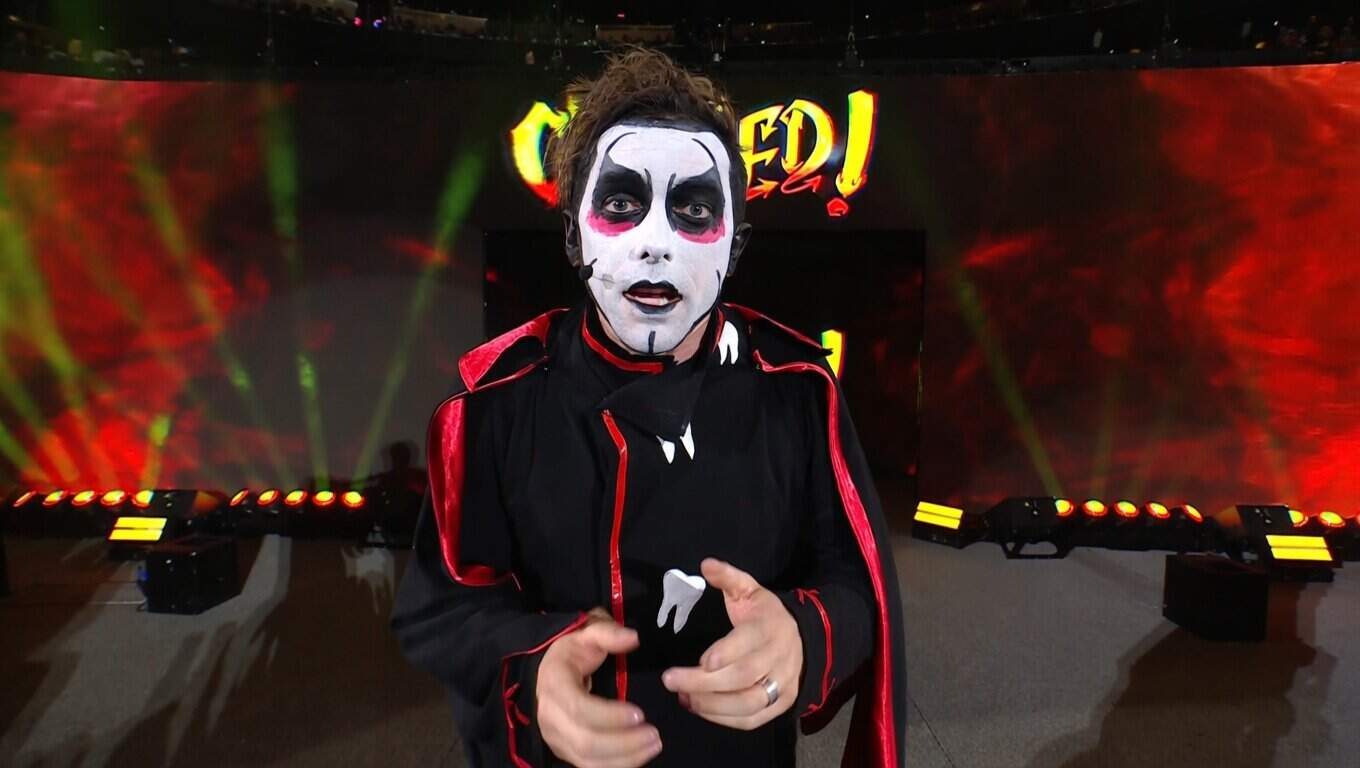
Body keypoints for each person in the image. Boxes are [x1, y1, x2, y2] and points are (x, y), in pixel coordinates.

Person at [391, 47, 905, 767]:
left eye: (694, 210)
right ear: (572, 233)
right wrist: (533, 668)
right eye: (621, 205)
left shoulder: (796, 390)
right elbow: (441, 604)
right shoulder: (494, 402)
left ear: (735, 246)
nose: (656, 244)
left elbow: (855, 583)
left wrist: (803, 636)